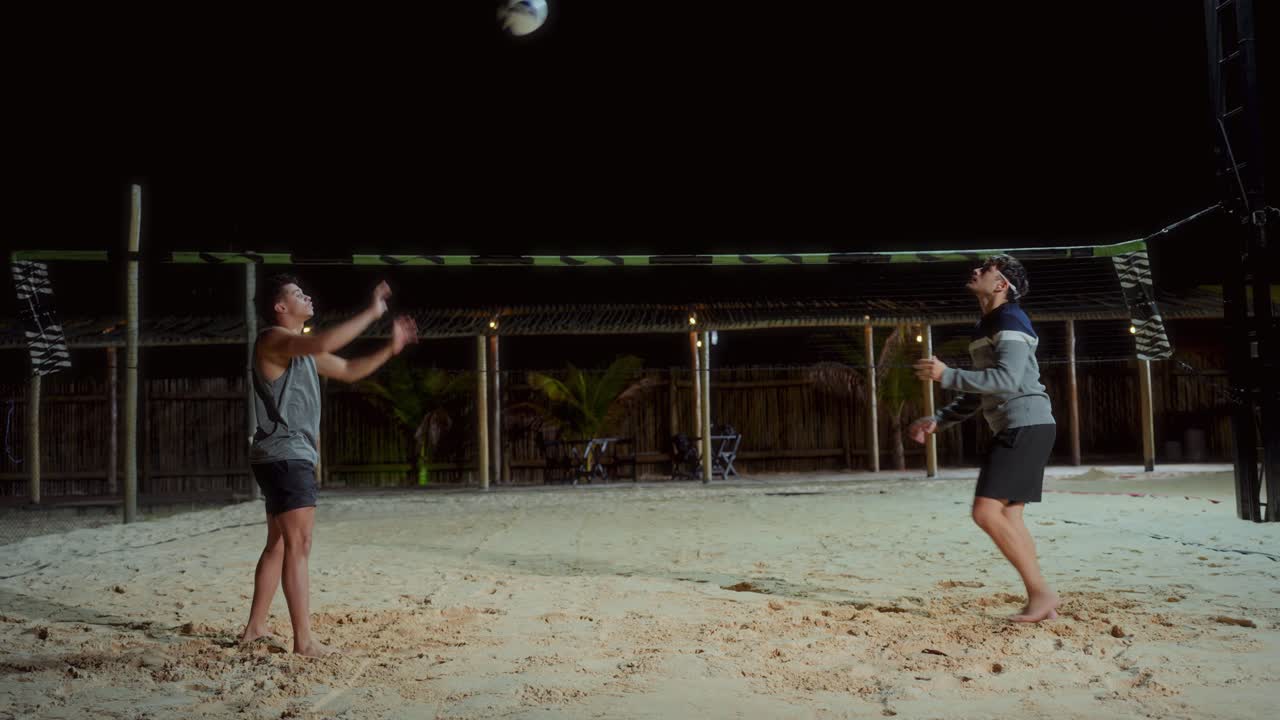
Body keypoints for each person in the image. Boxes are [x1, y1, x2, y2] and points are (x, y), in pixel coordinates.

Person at [239, 275, 418, 655]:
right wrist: (372, 311)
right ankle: (304, 641)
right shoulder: (273, 339)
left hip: (281, 455)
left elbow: (349, 370)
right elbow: (323, 342)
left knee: (279, 544)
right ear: (280, 307)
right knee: (299, 543)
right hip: (287, 455)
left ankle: (254, 628)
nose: (306, 295)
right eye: (296, 293)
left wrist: (390, 348)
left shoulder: (299, 350)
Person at [908, 254, 1060, 623]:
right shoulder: (987, 324)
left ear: (1001, 284)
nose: (975, 271)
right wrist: (939, 420)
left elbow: (1006, 380)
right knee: (1009, 515)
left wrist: (945, 375)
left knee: (986, 512)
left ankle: (1041, 593)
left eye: (986, 269)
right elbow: (985, 389)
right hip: (1027, 426)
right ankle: (1042, 600)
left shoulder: (1010, 319)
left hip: (1024, 425)